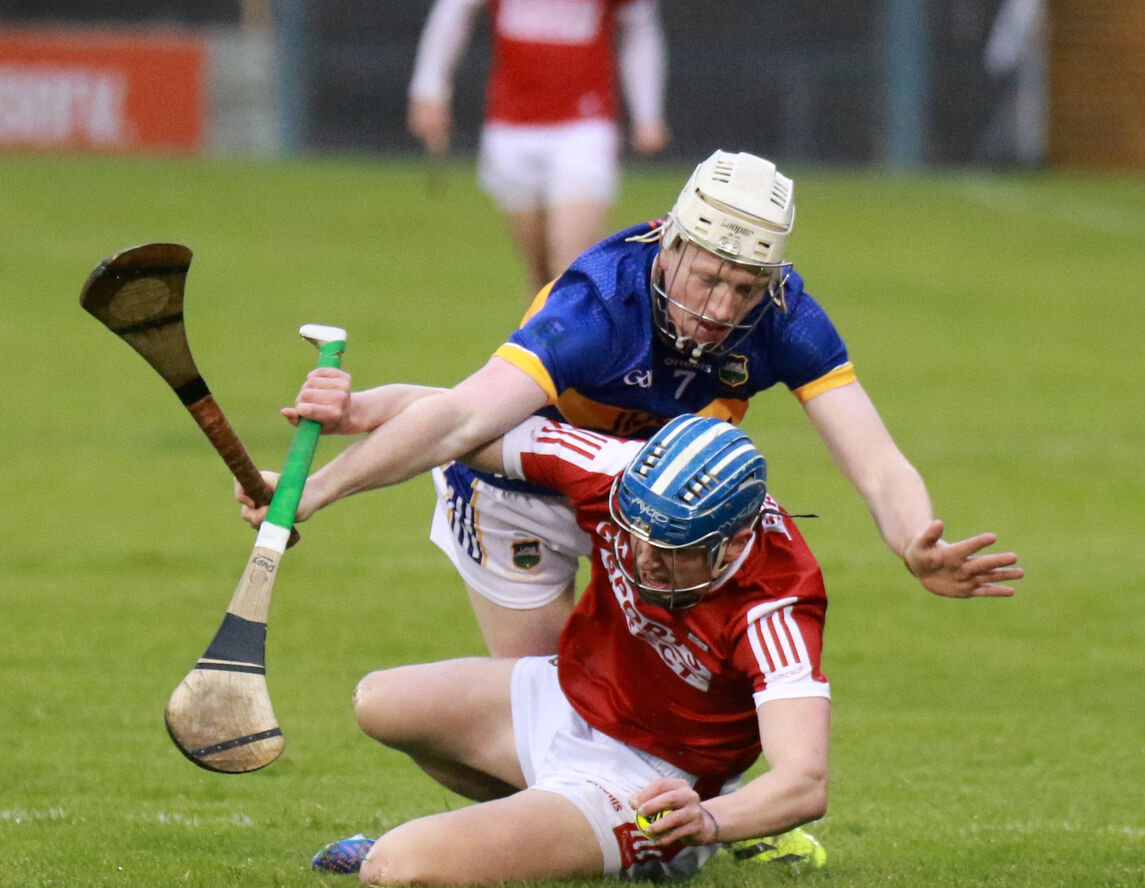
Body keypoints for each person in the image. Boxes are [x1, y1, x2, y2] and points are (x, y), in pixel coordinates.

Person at [266, 149, 1024, 659]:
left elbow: (878, 461)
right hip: (516, 493)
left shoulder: (784, 316)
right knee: (539, 705)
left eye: (745, 286)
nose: (722, 305)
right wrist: (311, 490)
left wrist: (914, 539)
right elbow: (468, 417)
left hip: (648, 504)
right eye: (708, 277)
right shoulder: (599, 305)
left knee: (696, 676)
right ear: (673, 246)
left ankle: (723, 815)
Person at [307, 414, 833, 886]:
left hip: (652, 785)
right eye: (636, 533)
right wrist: (352, 420)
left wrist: (711, 821)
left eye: (672, 550)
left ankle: (634, 849)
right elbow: (459, 420)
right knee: (379, 701)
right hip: (570, 696)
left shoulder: (775, 606)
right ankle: (554, 835)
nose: (643, 558)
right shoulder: (619, 475)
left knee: (391, 867)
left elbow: (804, 781)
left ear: (733, 546)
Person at [407, 0, 670, 297]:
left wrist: (648, 112)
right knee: (541, 271)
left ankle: (584, 338)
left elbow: (639, 28)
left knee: (573, 261)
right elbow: (454, 12)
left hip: (585, 124)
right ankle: (541, 339)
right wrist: (429, 89)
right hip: (511, 127)